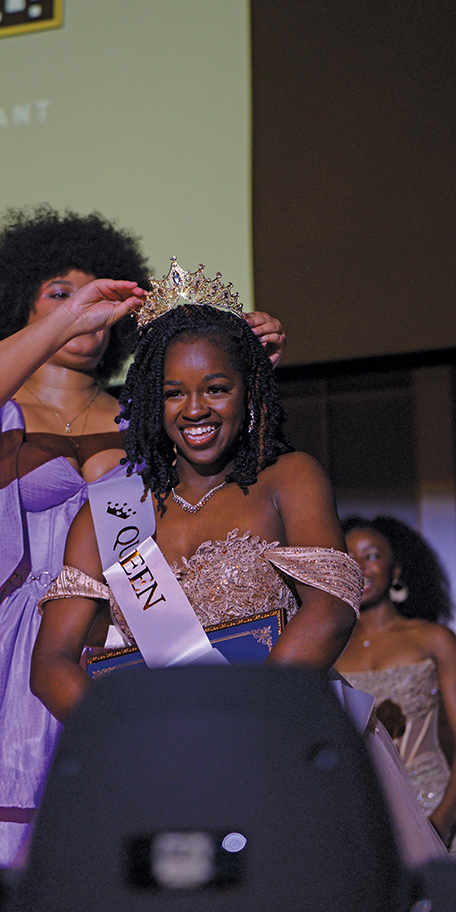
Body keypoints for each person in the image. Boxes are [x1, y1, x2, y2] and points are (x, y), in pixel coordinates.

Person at [0, 208, 287, 886]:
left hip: (130, 633)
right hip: (15, 654)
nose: (84, 307)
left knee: (120, 862)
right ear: (18, 305)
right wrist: (65, 318)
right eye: (59, 290)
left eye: (96, 295)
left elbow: (225, 486)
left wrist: (247, 369)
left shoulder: (143, 416)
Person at [30, 265, 448, 867]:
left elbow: (329, 611)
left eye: (216, 388)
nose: (194, 409)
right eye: (174, 392)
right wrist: (128, 740)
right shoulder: (108, 511)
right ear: (153, 399)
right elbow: (51, 661)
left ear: (249, 391)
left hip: (283, 741)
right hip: (153, 765)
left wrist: (245, 729)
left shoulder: (288, 476)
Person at [336, 515, 456, 850]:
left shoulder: (433, 639)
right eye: (350, 558)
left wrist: (443, 821)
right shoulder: (331, 648)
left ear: (396, 570)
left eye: (371, 556)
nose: (361, 568)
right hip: (366, 812)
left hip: (434, 803)